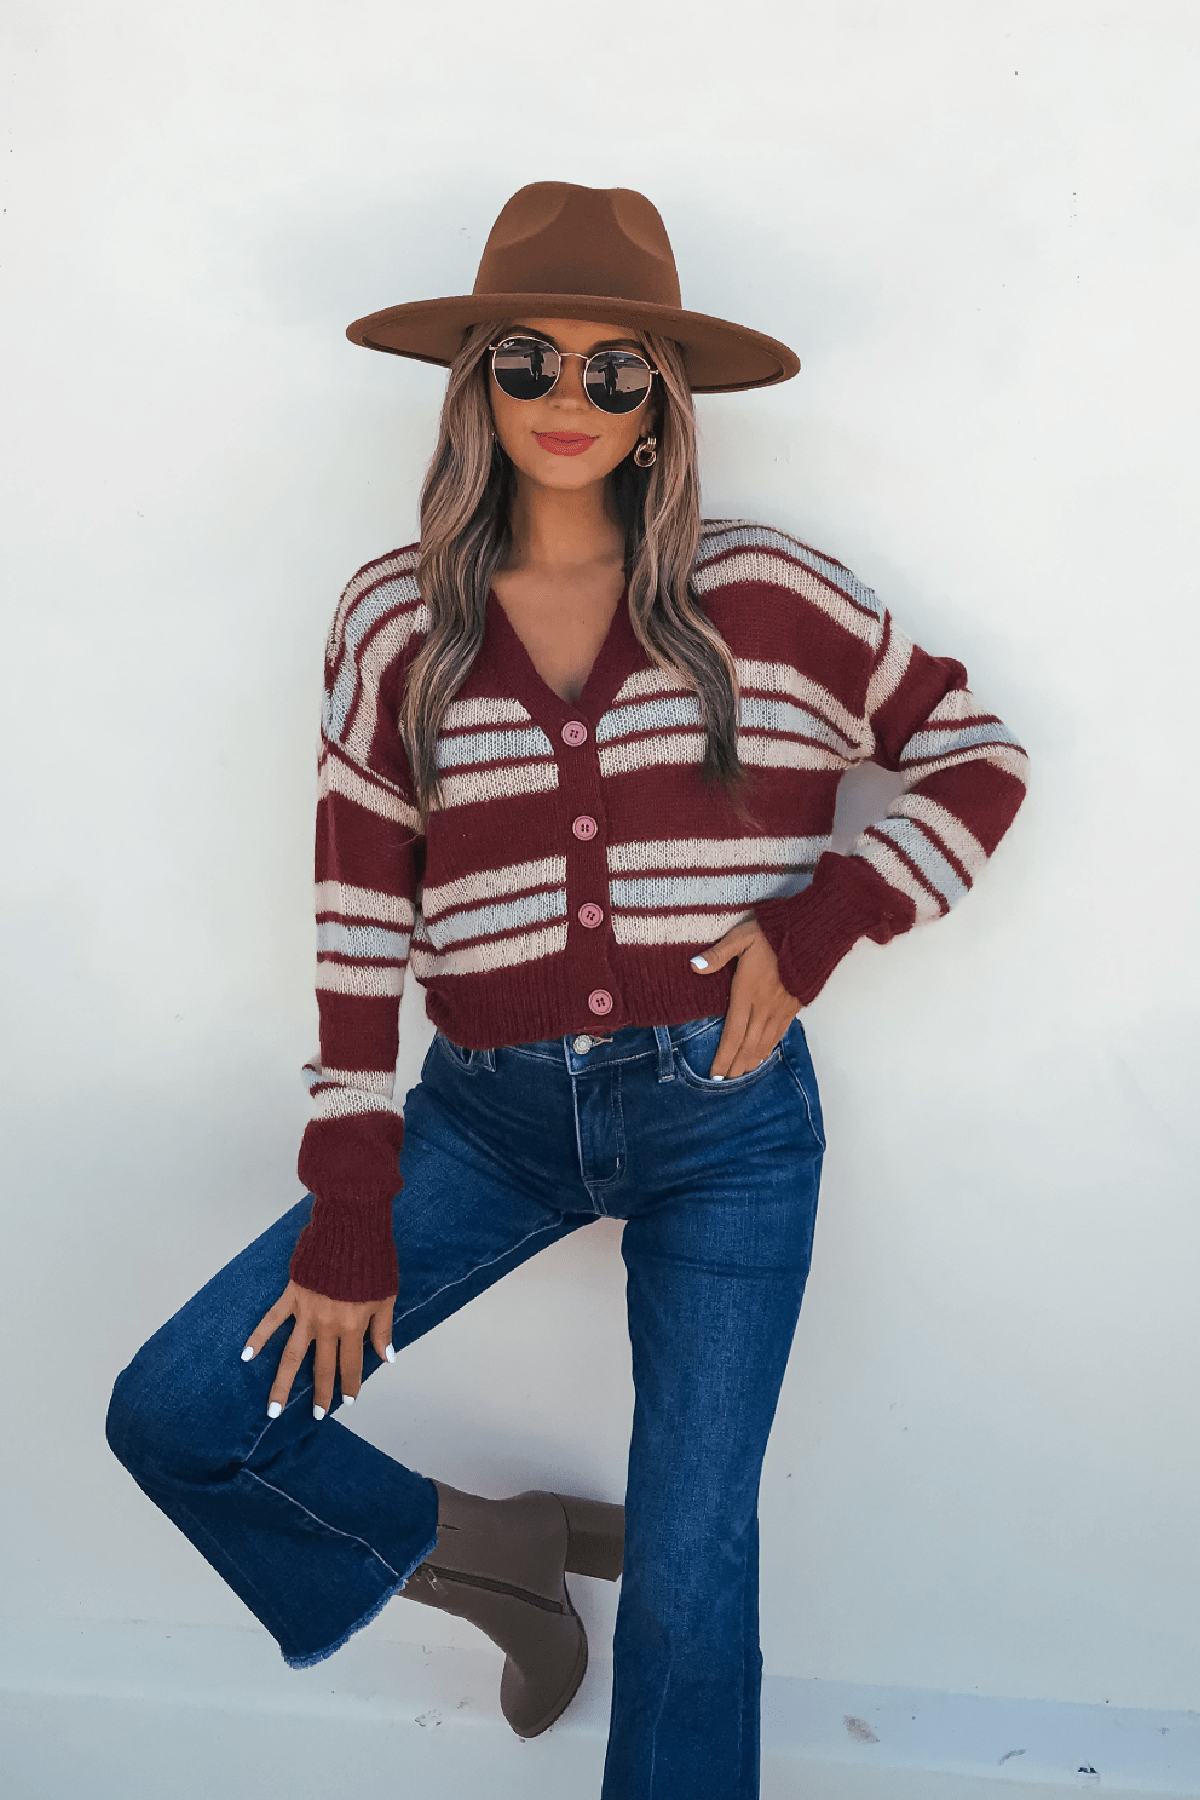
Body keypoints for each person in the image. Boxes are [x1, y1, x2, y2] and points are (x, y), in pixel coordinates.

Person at [106, 181, 1028, 1799]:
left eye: (617, 372)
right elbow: (356, 916)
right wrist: (351, 1196)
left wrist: (820, 925)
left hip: (728, 1129)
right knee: (182, 1414)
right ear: (477, 382)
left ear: (662, 404)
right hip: (488, 1125)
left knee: (689, 1571)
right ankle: (487, 1552)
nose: (568, 400)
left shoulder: (773, 596)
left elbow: (978, 756)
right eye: (529, 360)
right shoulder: (396, 618)